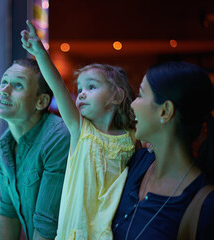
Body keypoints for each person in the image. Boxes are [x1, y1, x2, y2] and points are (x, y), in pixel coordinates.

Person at [21, 20, 137, 239]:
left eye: (91, 87)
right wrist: (40, 53)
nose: (81, 93)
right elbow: (58, 85)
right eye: (80, 88)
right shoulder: (81, 130)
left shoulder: (131, 139)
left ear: (117, 96)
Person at [112, 61, 214, 239]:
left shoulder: (210, 207)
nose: (133, 104)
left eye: (141, 95)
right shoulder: (137, 162)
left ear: (165, 111)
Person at [0, 58, 70, 240]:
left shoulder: (57, 137)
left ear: (41, 102)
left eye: (18, 85)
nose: (4, 90)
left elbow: (46, 227)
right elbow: (8, 212)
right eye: (4, 82)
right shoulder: (5, 145)